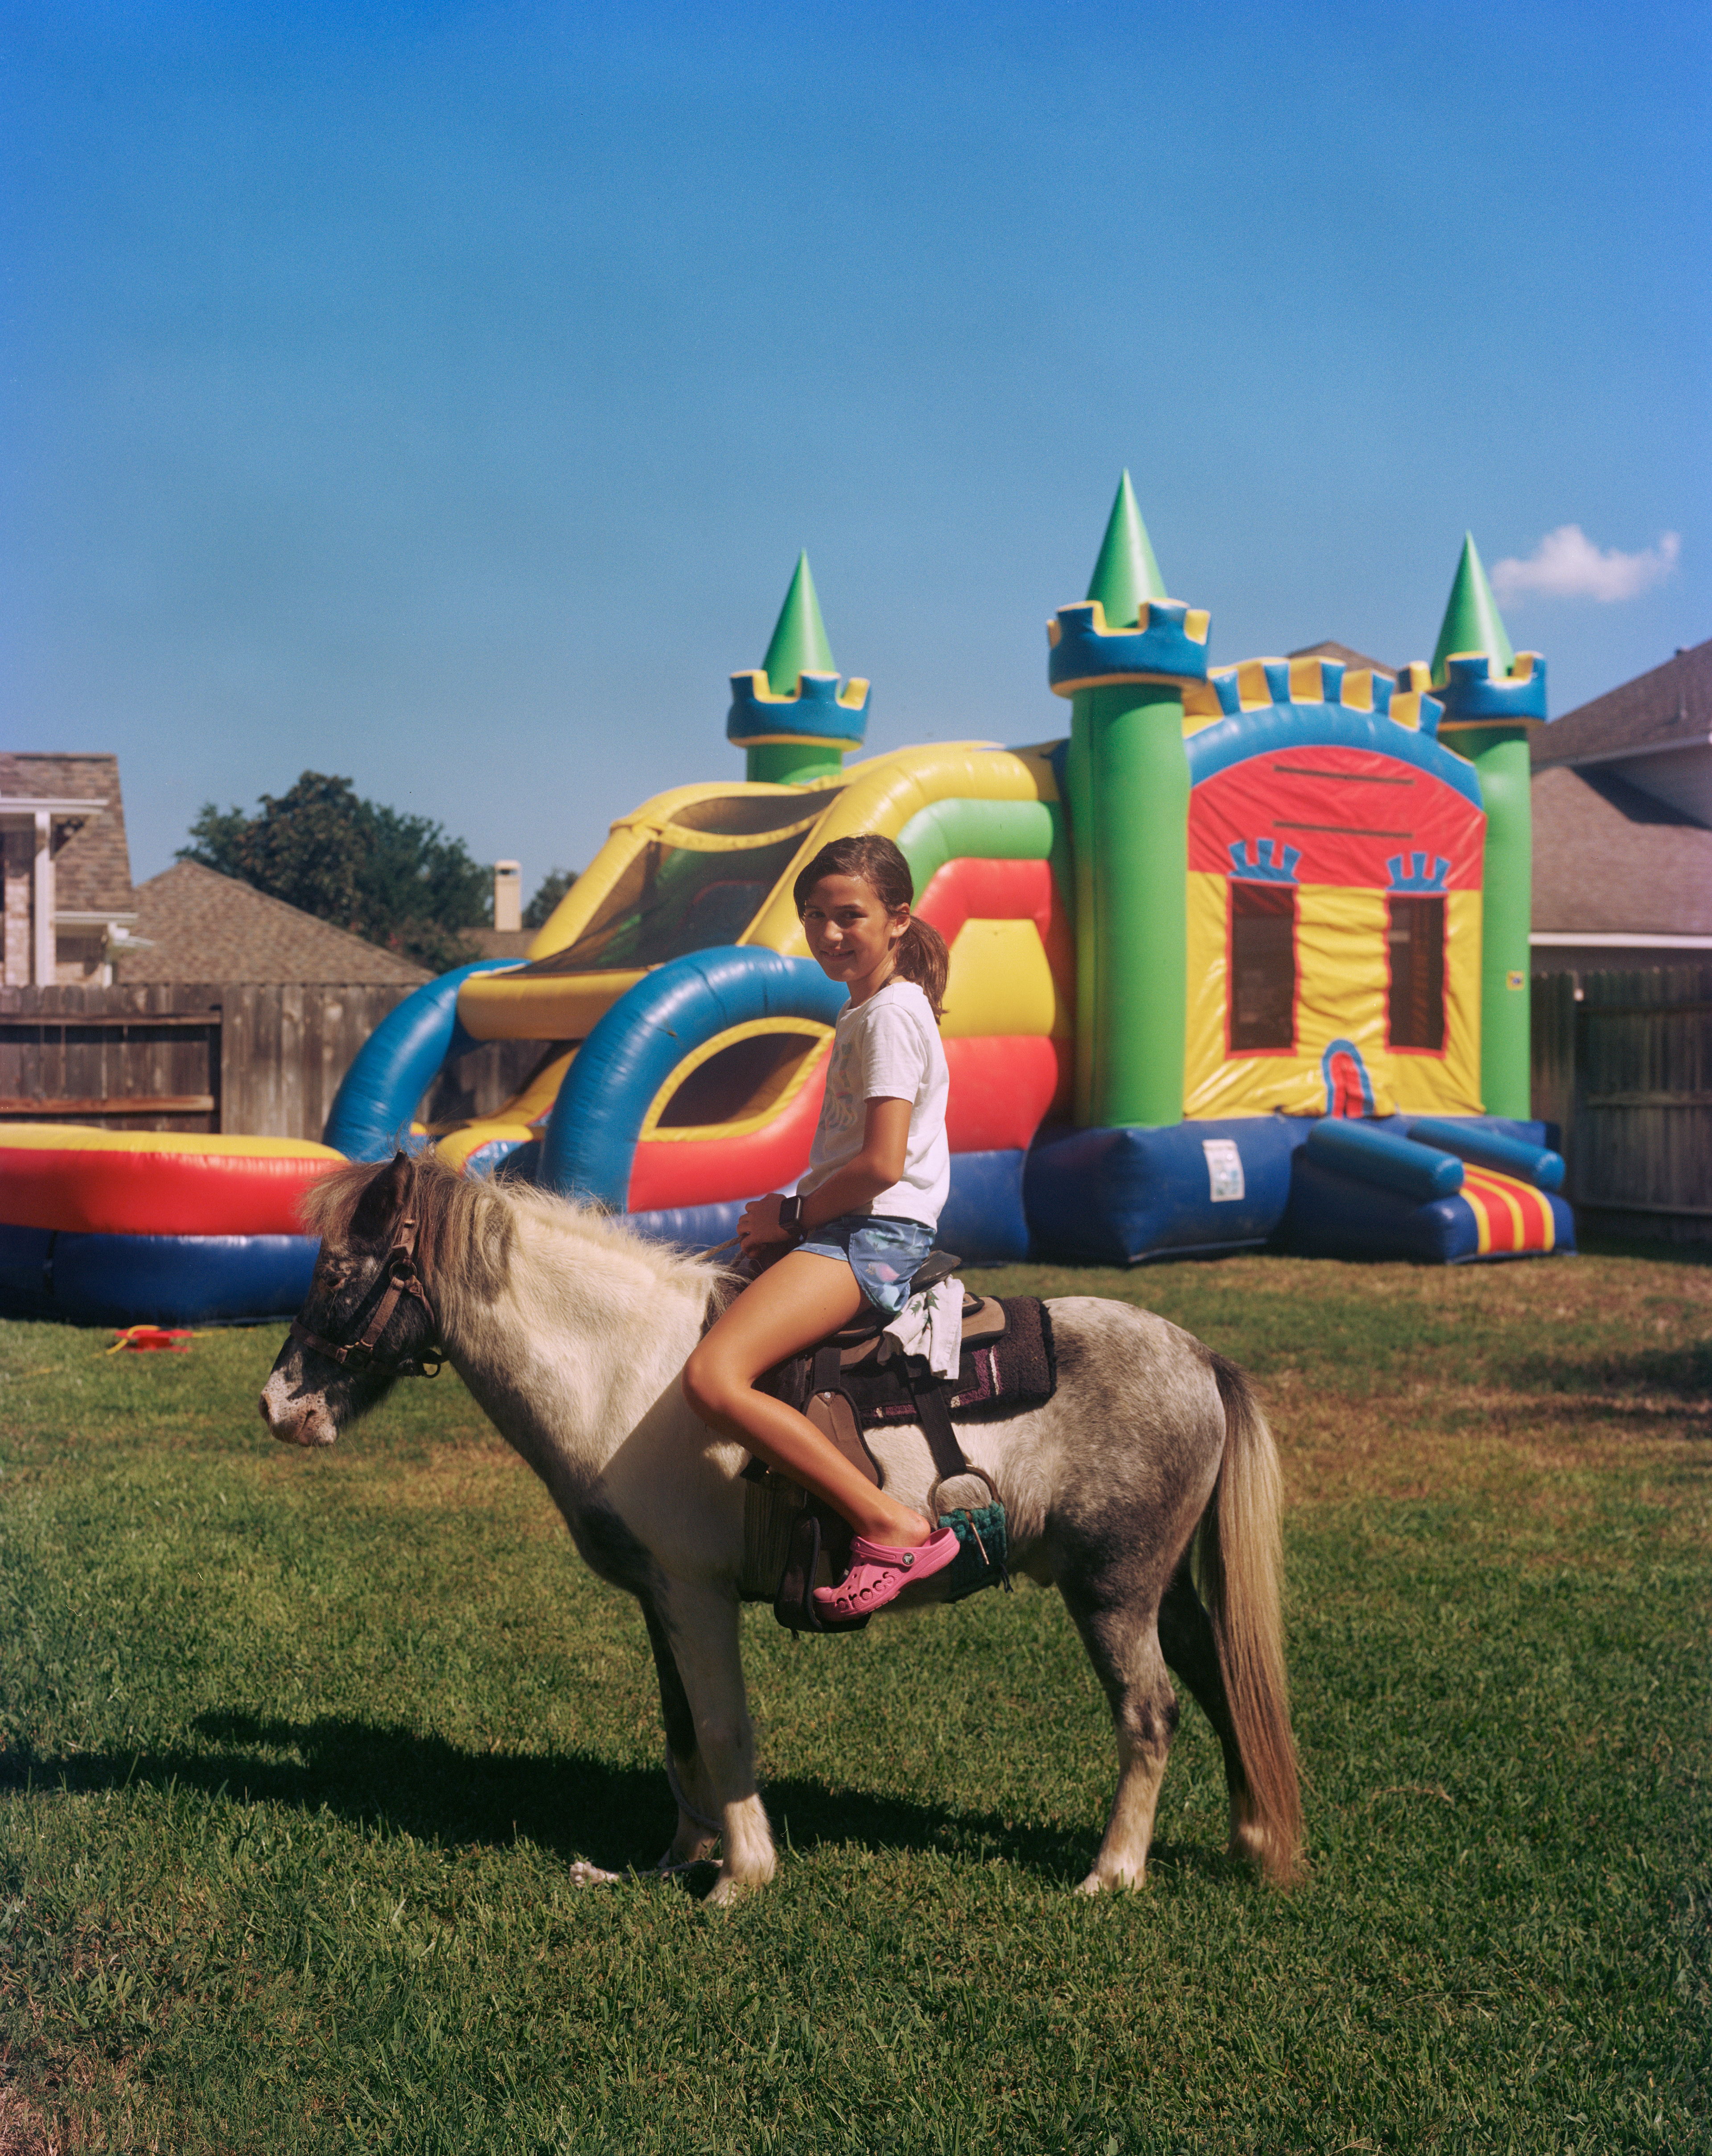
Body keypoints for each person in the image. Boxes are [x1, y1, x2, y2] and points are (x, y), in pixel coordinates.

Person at [681, 834, 961, 1619]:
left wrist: (790, 1215)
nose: (830, 933)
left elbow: (880, 1163)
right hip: (847, 1226)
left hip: (870, 1236)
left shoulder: (891, 1016)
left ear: (898, 919)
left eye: (851, 916)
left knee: (713, 1378)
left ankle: (890, 1523)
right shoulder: (867, 1007)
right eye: (815, 916)